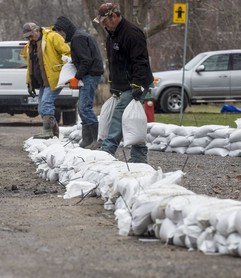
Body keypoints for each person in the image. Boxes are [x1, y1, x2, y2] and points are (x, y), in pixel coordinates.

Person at [93, 3, 154, 163]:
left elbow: (140, 61)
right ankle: (139, 158)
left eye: (105, 21)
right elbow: (113, 62)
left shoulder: (132, 33)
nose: (104, 25)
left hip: (136, 82)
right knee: (133, 119)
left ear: (114, 16)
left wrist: (137, 85)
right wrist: (113, 82)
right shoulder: (111, 35)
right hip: (122, 84)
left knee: (120, 114)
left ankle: (107, 151)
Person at [53, 16, 104, 148]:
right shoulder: (78, 36)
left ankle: (96, 139)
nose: (61, 35)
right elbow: (83, 59)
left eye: (61, 32)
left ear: (66, 29)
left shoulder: (78, 38)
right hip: (88, 74)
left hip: (90, 75)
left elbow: (86, 60)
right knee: (82, 109)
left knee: (84, 107)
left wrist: (76, 77)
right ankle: (87, 139)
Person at [21, 22, 71, 139]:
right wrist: (30, 83)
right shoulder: (30, 45)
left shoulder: (52, 37)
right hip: (43, 82)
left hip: (54, 78)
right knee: (41, 108)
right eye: (27, 37)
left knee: (46, 103)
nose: (29, 38)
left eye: (30, 35)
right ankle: (54, 131)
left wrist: (65, 70)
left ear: (37, 31)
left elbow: (67, 53)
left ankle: (47, 131)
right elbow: (30, 66)